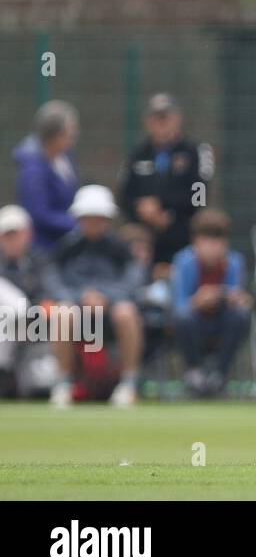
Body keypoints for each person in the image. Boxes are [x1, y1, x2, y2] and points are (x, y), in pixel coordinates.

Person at [43, 186, 145, 407]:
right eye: (88, 218)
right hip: (77, 311)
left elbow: (133, 279)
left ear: (107, 219)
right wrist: (80, 297)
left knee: (127, 313)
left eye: (98, 218)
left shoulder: (121, 248)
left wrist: (107, 297)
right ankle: (63, 383)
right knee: (62, 312)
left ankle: (128, 384)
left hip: (111, 312)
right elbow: (52, 280)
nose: (93, 223)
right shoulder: (66, 247)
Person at [118, 93, 214, 268]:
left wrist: (164, 207)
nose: (161, 122)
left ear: (178, 118)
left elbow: (200, 195)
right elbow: (124, 196)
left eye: (166, 117)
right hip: (145, 239)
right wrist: (143, 210)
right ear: (147, 121)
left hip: (183, 234)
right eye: (156, 117)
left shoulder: (195, 151)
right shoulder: (137, 155)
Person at [169, 209, 252, 396]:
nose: (212, 247)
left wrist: (234, 298)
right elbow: (179, 305)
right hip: (192, 325)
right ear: (195, 241)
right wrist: (198, 301)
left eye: (217, 240)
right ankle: (195, 372)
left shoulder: (234, 261)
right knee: (183, 318)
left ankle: (218, 375)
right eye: (206, 240)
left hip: (222, 323)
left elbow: (239, 298)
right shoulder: (183, 261)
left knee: (240, 316)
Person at [14, 101, 80, 253]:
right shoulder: (32, 169)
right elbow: (38, 213)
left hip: (66, 241)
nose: (74, 136)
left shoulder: (64, 158)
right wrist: (77, 224)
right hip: (44, 247)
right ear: (55, 135)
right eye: (70, 131)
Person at [0, 205, 45, 395]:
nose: (12, 240)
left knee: (42, 383)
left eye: (16, 234)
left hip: (35, 326)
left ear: (28, 234)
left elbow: (47, 298)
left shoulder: (40, 262)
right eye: (7, 235)